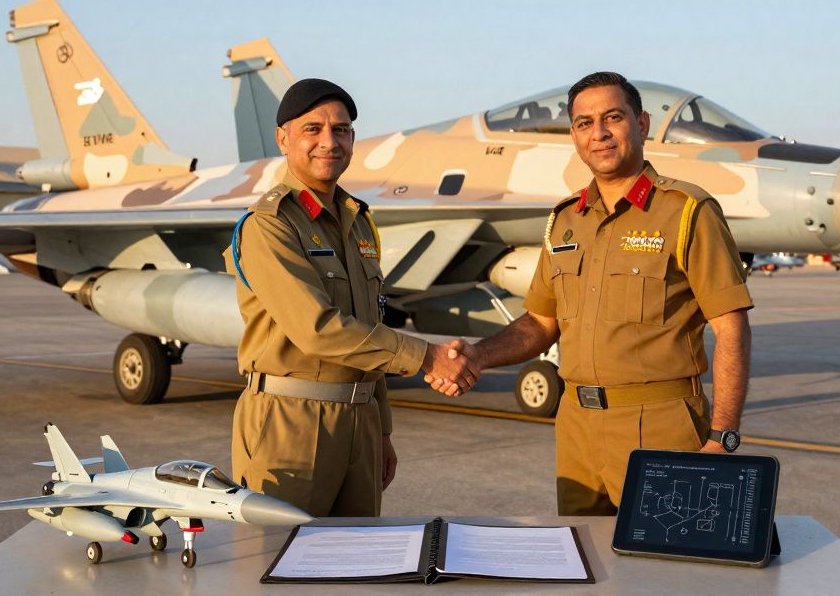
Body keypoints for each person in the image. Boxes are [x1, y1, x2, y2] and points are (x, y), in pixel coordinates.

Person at [428, 71, 753, 515]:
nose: (598, 133)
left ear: (640, 125)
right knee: (585, 569)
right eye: (584, 123)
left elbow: (731, 327)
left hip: (660, 425)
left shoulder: (687, 211)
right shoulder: (565, 220)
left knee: (665, 572)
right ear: (574, 135)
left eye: (612, 118)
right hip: (577, 429)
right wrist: (478, 356)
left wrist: (723, 436)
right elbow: (541, 322)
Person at [227, 78, 476, 517]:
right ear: (283, 139)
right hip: (290, 425)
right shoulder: (269, 225)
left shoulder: (358, 221)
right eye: (313, 129)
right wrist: (428, 357)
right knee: (279, 564)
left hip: (359, 424)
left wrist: (381, 430)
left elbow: (369, 329)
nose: (329, 142)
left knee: (359, 563)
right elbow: (318, 330)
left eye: (341, 130)